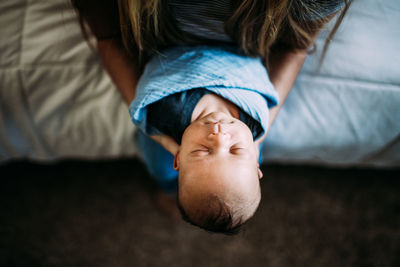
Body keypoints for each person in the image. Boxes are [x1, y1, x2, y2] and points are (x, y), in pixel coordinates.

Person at [71, 0, 352, 234]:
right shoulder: (253, 126)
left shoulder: (165, 112)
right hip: (223, 61)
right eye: (235, 149)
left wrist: (164, 140)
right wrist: (254, 139)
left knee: (164, 166)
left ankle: (168, 188)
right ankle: (170, 186)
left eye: (204, 150)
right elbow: (268, 101)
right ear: (255, 162)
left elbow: (143, 113)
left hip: (170, 140)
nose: (219, 136)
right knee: (171, 171)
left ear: (179, 155)